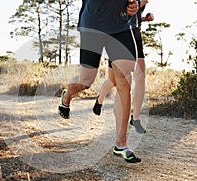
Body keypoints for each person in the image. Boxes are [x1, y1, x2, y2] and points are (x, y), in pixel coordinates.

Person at [58, 0, 141, 163]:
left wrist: (135, 4)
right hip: (93, 25)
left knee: (124, 82)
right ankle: (67, 96)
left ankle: (121, 144)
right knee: (86, 80)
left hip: (121, 26)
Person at [93, 0, 154, 134]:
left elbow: (133, 16)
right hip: (119, 37)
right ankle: (100, 99)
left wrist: (144, 19)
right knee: (113, 81)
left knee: (140, 75)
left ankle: (135, 118)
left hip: (135, 36)